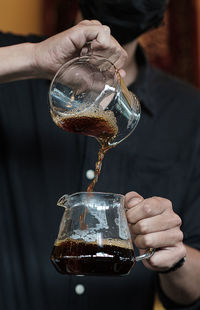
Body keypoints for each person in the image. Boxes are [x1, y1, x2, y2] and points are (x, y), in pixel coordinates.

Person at [0, 1, 200, 310]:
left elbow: (194, 286)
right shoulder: (16, 63)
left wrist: (172, 257)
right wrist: (34, 58)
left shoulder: (189, 113)